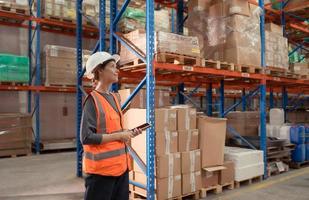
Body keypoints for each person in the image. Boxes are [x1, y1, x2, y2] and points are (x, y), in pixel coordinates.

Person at [80, 52, 141, 200]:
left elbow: (112, 129)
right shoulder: (92, 100)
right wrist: (120, 135)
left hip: (121, 169)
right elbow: (86, 137)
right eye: (112, 66)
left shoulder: (114, 97)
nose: (117, 70)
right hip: (101, 173)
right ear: (100, 70)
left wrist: (127, 133)